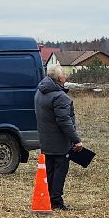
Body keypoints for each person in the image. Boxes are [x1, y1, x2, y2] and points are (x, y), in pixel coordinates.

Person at [34, 70, 84, 210]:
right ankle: (56, 200)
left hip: (45, 139)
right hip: (60, 142)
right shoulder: (60, 97)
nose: (65, 76)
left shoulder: (39, 92)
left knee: (49, 171)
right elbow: (64, 121)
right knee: (59, 172)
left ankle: (48, 198)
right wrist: (76, 140)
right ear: (59, 78)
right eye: (64, 74)